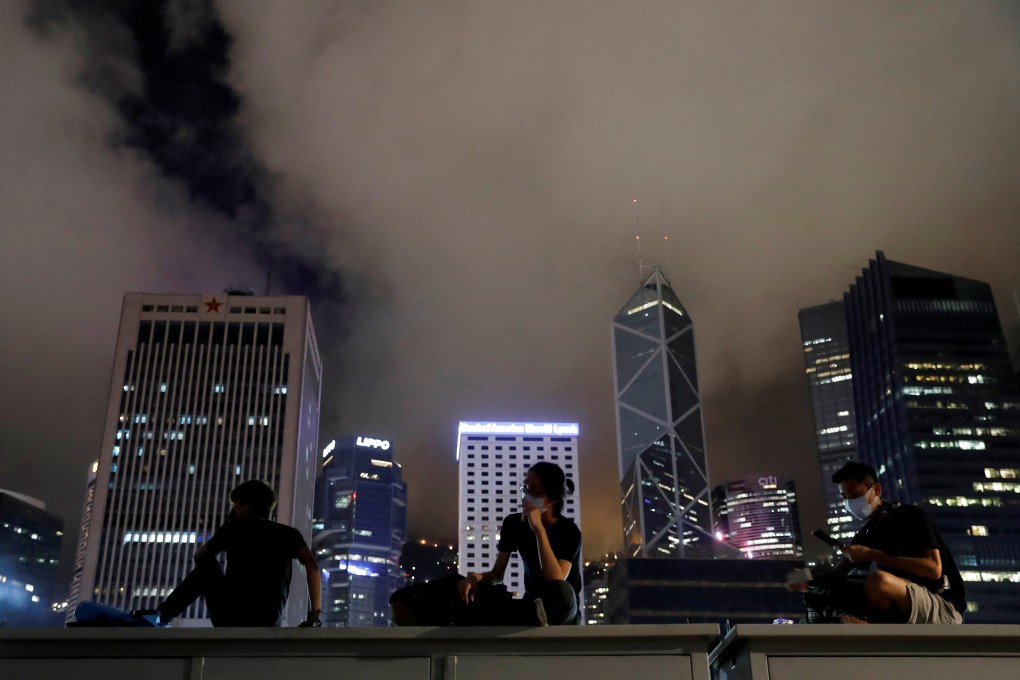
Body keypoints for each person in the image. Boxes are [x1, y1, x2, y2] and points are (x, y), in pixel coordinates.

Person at [136, 479, 322, 627]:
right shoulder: (289, 534)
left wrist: (226, 533)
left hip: (232, 618)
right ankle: (161, 617)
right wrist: (314, 614)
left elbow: (199, 557)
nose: (234, 509)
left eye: (236, 504)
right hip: (269, 621)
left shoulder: (232, 529)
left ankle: (162, 617)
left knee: (208, 566)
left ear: (245, 506)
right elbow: (312, 567)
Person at [814, 462, 965, 624]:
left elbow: (933, 569)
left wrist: (873, 555)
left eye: (855, 494)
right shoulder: (867, 533)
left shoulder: (910, 516)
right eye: (845, 498)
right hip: (906, 603)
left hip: (942, 604)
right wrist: (807, 580)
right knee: (841, 588)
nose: (850, 502)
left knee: (878, 581)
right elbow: (836, 574)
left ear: (877, 490)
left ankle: (864, 623)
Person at [456, 462, 582, 625]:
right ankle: (525, 614)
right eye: (525, 488)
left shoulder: (569, 531)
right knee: (462, 586)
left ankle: (521, 615)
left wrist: (538, 530)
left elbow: (555, 580)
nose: (526, 496)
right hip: (532, 605)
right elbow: (496, 575)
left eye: (535, 491)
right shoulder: (513, 523)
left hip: (563, 612)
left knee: (563, 591)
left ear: (553, 499)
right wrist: (474, 577)